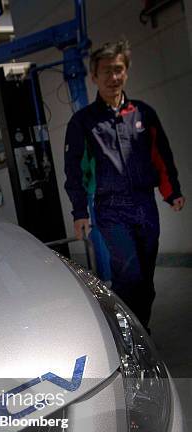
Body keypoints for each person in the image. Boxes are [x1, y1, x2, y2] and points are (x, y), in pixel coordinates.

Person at [64, 39, 185, 331]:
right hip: (111, 208)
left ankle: (137, 325)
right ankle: (132, 333)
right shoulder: (83, 122)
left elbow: (161, 155)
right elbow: (75, 169)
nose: (112, 77)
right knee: (128, 275)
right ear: (94, 76)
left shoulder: (143, 114)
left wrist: (172, 191)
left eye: (118, 70)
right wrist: (80, 211)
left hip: (145, 205)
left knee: (145, 279)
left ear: (126, 72)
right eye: (105, 71)